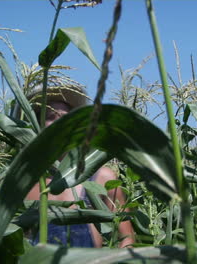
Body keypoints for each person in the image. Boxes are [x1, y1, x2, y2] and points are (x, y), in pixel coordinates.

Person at [24, 85, 135, 248]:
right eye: (50, 116)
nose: (60, 122)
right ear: (36, 124)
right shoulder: (24, 182)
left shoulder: (102, 178)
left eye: (65, 117)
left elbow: (127, 239)